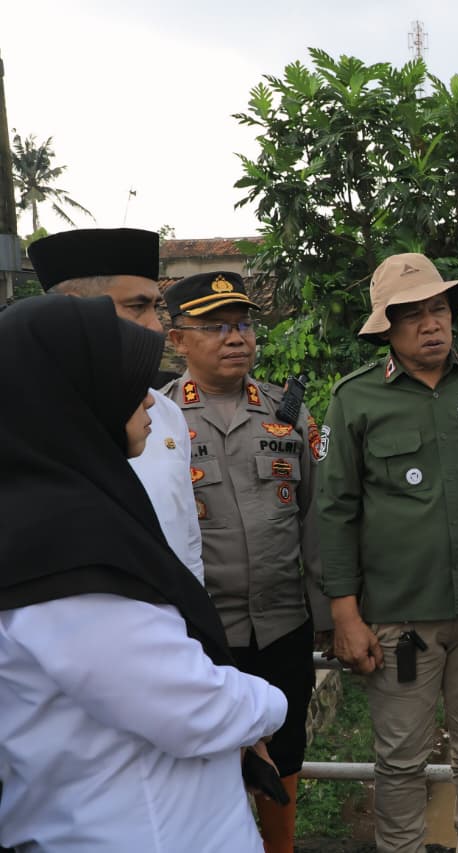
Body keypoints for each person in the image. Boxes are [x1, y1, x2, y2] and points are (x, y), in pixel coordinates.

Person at [0, 295, 287, 852]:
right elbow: (186, 705)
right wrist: (268, 704)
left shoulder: (56, 510)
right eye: (128, 382)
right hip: (136, 828)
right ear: (73, 396)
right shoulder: (63, 549)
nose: (151, 403)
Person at [316, 253, 458, 853]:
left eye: (438, 309)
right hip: (399, 619)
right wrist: (344, 612)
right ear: (386, 328)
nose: (430, 324)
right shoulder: (355, 399)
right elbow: (334, 509)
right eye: (411, 315)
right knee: (399, 760)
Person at [162, 271, 326, 853]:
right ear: (177, 339)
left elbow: (314, 522)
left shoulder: (288, 414)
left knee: (283, 752)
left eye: (243, 324)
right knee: (208, 756)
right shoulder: (156, 423)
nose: (236, 338)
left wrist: (330, 616)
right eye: (214, 327)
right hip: (201, 633)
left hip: (282, 621)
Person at [27, 227, 205, 582]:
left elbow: (186, 541)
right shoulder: (22, 424)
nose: (156, 326)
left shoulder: (165, 414)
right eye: (136, 307)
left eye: (155, 307)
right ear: (74, 309)